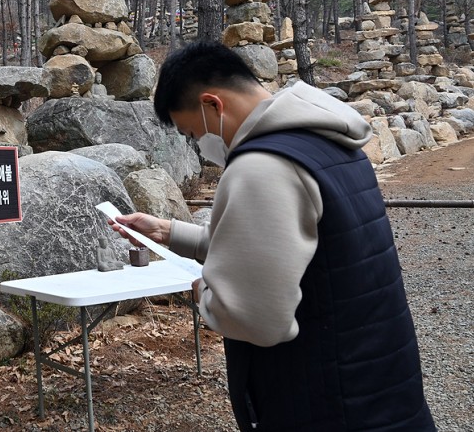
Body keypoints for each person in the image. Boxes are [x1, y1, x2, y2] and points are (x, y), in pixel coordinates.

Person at [110, 41, 434, 431]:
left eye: (193, 132)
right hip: (375, 376)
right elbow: (289, 249)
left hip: (324, 399)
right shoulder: (327, 141)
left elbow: (254, 319)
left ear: (213, 104)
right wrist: (167, 231)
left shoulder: (261, 167)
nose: (199, 145)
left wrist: (203, 293)